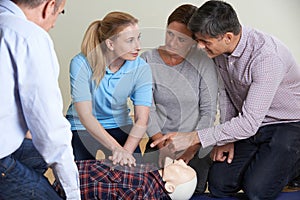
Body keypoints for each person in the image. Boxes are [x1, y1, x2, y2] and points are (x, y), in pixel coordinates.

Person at [151, 1, 300, 199]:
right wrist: (226, 138)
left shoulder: (267, 58)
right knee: (219, 185)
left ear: (228, 37)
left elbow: (248, 122)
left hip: (287, 124)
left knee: (256, 191)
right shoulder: (220, 51)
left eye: (205, 42)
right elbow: (228, 96)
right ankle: (267, 164)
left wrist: (192, 138)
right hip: (252, 126)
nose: (200, 47)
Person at [0, 0, 80, 199]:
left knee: (39, 155)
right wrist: (73, 194)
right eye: (60, 13)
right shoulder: (28, 36)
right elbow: (51, 132)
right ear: (48, 6)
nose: (53, 24)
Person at [140, 4, 218, 193]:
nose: (172, 43)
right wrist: (161, 143)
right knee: (151, 188)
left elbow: (208, 111)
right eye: (170, 34)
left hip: (195, 141)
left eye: (181, 39)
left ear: (194, 41)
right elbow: (146, 108)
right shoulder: (147, 60)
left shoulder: (204, 61)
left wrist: (191, 146)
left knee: (193, 189)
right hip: (160, 141)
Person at [65, 11, 152, 166]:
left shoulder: (141, 68)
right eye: (130, 40)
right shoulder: (80, 64)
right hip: (81, 126)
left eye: (138, 38)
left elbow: (142, 119)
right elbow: (85, 115)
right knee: (80, 176)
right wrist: (117, 149)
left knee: (135, 176)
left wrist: (126, 152)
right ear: (110, 44)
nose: (138, 46)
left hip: (119, 124)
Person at [54, 158, 197, 200]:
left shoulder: (144, 191)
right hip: (69, 172)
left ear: (170, 187)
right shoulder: (150, 173)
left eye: (182, 168)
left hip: (67, 187)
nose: (181, 161)